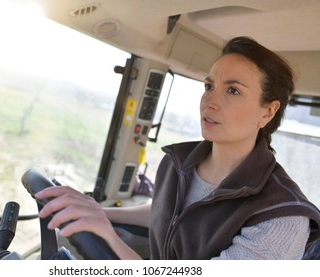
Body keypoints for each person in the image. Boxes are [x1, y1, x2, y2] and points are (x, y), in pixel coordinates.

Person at [35, 36, 320, 260]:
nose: (210, 101)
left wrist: (108, 236)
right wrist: (98, 211)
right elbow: (167, 211)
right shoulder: (179, 164)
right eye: (209, 86)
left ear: (267, 112)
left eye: (233, 90)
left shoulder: (283, 217)